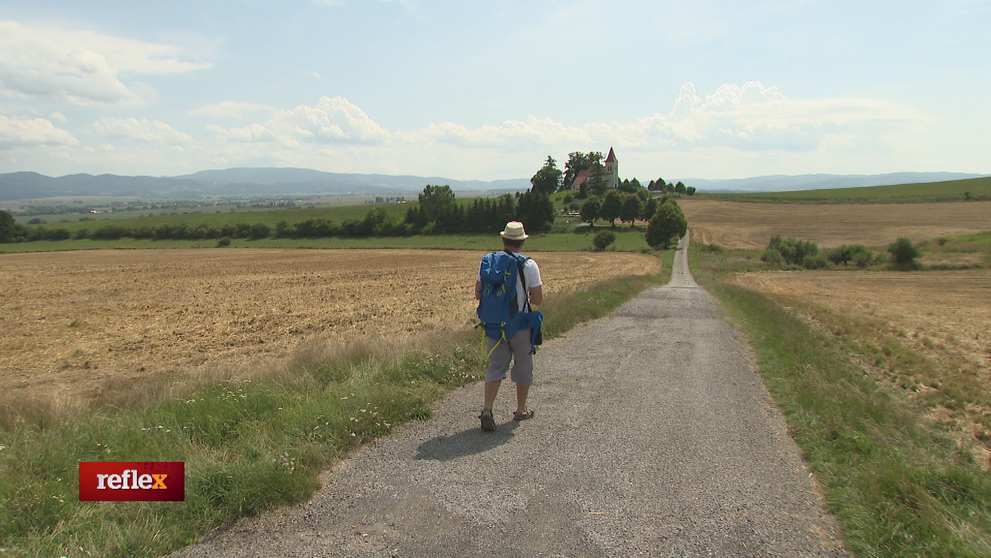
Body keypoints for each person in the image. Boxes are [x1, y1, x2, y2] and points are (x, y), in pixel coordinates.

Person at [475, 221, 542, 432]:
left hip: (494, 324)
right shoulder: (529, 265)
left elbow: (478, 293)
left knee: (496, 366)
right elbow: (537, 299)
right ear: (522, 241)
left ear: (503, 240)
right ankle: (521, 409)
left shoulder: (488, 262)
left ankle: (487, 408)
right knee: (523, 366)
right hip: (520, 325)